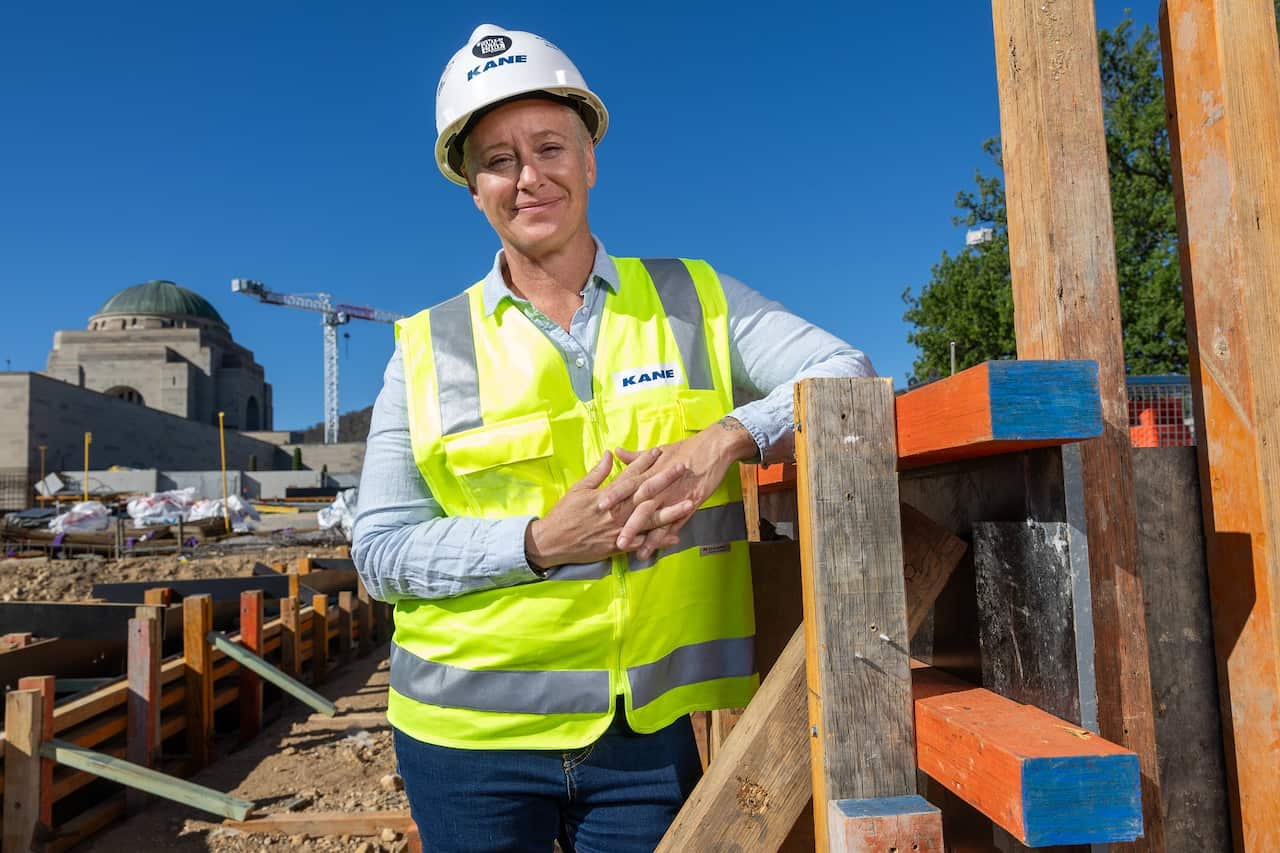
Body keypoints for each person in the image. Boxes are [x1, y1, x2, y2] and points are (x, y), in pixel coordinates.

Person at [352, 23, 874, 853]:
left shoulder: (691, 297)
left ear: (589, 160)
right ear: (473, 189)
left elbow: (844, 370)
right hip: (465, 742)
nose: (528, 176)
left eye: (549, 146)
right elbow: (378, 552)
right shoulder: (425, 346)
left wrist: (729, 437)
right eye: (497, 159)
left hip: (643, 733)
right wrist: (536, 543)